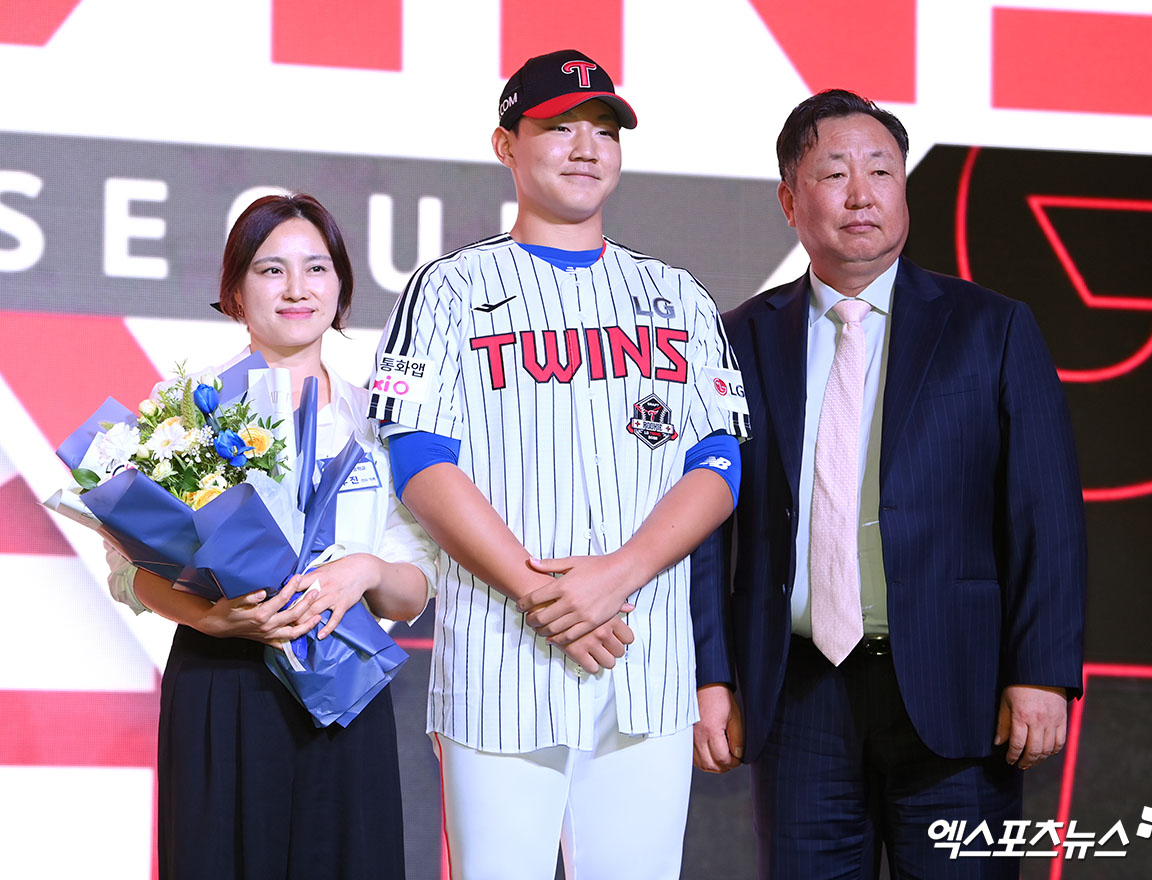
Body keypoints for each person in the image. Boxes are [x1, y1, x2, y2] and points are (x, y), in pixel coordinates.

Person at [368, 49, 750, 880]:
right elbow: (419, 460)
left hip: (641, 660)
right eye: (560, 127)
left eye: (605, 131)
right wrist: (547, 593)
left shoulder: (676, 294)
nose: (587, 146)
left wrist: (614, 576)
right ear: (506, 145)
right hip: (500, 658)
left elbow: (718, 464)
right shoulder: (449, 287)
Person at [691, 90, 1087, 879]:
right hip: (796, 693)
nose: (862, 193)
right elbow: (705, 527)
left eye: (882, 170)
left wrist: (1042, 670)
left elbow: (1046, 511)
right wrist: (709, 675)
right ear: (789, 200)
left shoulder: (991, 326)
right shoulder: (735, 337)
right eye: (835, 173)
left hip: (958, 690)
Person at [106, 193, 437, 879]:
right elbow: (133, 573)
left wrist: (367, 572)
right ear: (233, 290)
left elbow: (412, 594)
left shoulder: (379, 426)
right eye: (270, 270)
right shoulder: (182, 421)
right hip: (223, 687)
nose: (296, 289)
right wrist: (215, 618)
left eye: (316, 269)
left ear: (341, 287)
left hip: (345, 688)